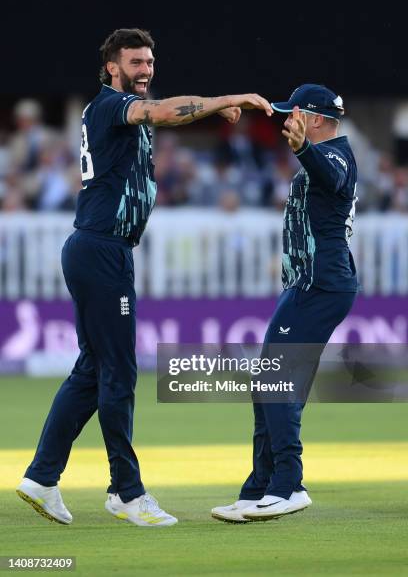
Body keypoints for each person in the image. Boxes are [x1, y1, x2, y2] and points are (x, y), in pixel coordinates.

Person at [16, 28, 272, 528]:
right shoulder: (111, 104)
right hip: (101, 250)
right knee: (119, 373)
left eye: (150, 62)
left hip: (101, 248)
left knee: (93, 370)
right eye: (135, 62)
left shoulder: (118, 111)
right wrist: (228, 98)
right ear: (112, 67)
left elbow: (157, 116)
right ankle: (127, 493)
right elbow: (156, 111)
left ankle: (43, 477)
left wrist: (211, 110)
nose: (145, 70)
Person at [212, 83, 358, 522]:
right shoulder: (326, 154)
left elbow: (332, 178)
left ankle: (288, 484)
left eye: (292, 115)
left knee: (275, 382)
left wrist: (302, 151)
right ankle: (260, 486)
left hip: (321, 285)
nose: (285, 122)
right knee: (269, 382)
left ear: (314, 119)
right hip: (307, 284)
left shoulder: (335, 155)